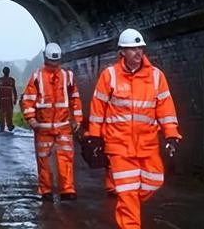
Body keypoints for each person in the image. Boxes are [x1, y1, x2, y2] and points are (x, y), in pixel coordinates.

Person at [87, 29, 182, 228]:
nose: (138, 52)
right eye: (132, 49)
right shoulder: (110, 76)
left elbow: (166, 109)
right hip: (119, 147)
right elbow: (98, 109)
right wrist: (94, 137)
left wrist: (171, 134)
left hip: (147, 145)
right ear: (122, 52)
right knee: (128, 192)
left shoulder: (156, 77)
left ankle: (127, 200)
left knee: (154, 181)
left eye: (140, 48)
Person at [20, 42, 83, 202]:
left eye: (56, 62)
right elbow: (27, 100)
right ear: (45, 59)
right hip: (43, 126)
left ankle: (67, 190)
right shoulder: (37, 77)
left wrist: (77, 119)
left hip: (63, 127)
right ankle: (45, 190)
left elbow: (75, 99)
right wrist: (32, 120)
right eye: (51, 62)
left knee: (66, 159)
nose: (54, 65)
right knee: (44, 161)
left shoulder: (67, 77)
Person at [0, 66, 18, 132]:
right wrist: (15, 99)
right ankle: (7, 126)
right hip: (5, 100)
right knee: (8, 114)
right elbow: (14, 90)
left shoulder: (4, 80)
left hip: (4, 100)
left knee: (5, 114)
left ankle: (6, 126)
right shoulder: (7, 80)